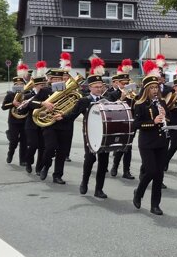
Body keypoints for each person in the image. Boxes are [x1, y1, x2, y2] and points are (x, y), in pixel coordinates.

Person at [132, 60, 170, 215]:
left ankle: (155, 204)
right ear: (146, 89)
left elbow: (167, 119)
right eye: (152, 88)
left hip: (162, 142)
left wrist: (165, 119)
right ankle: (139, 192)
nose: (155, 90)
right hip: (147, 142)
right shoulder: (139, 104)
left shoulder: (161, 102)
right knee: (151, 171)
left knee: (159, 174)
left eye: (157, 87)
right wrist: (153, 122)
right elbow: (136, 124)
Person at [73, 58, 110, 198]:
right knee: (90, 159)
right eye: (96, 87)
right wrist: (61, 117)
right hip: (89, 133)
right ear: (90, 88)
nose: (99, 89)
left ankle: (99, 189)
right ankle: (84, 182)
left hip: (104, 134)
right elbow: (72, 114)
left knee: (103, 161)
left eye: (101, 86)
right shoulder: (84, 100)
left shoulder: (107, 99)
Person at [34, 67, 77, 184]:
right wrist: (43, 103)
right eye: (56, 78)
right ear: (50, 80)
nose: (58, 81)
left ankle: (57, 175)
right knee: (50, 147)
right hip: (49, 125)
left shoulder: (70, 92)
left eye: (61, 78)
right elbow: (31, 103)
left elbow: (75, 108)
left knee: (62, 152)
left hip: (65, 124)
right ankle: (46, 166)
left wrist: (64, 115)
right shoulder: (45, 91)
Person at [106, 60, 135, 180]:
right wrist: (122, 99)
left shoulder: (132, 94)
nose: (125, 85)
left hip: (130, 123)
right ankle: (115, 166)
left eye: (127, 83)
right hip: (118, 123)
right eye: (123, 83)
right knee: (119, 146)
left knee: (128, 147)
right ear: (118, 83)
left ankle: (126, 171)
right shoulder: (112, 94)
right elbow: (111, 108)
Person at [20, 62, 48, 174]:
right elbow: (23, 110)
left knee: (42, 147)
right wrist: (26, 104)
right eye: (41, 85)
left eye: (44, 85)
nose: (43, 87)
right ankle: (28, 161)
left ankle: (39, 168)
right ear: (35, 85)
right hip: (31, 125)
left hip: (43, 124)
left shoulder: (47, 95)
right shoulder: (28, 96)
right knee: (33, 145)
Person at [1, 71, 29, 165]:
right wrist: (12, 103)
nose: (19, 85)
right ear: (14, 85)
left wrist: (25, 104)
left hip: (25, 120)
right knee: (14, 141)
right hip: (13, 121)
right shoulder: (10, 95)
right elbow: (3, 107)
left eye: (21, 84)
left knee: (24, 141)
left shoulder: (27, 94)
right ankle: (10, 154)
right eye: (17, 84)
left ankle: (23, 160)